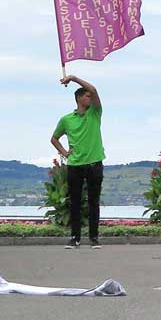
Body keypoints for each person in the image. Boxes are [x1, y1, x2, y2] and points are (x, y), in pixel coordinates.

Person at [50, 74, 105, 249]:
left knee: (93, 202)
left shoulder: (95, 113)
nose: (91, 97)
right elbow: (54, 138)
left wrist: (73, 78)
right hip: (74, 165)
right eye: (87, 96)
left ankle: (94, 238)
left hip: (94, 163)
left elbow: (94, 89)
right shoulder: (66, 119)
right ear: (79, 98)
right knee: (75, 202)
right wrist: (65, 153)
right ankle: (75, 237)